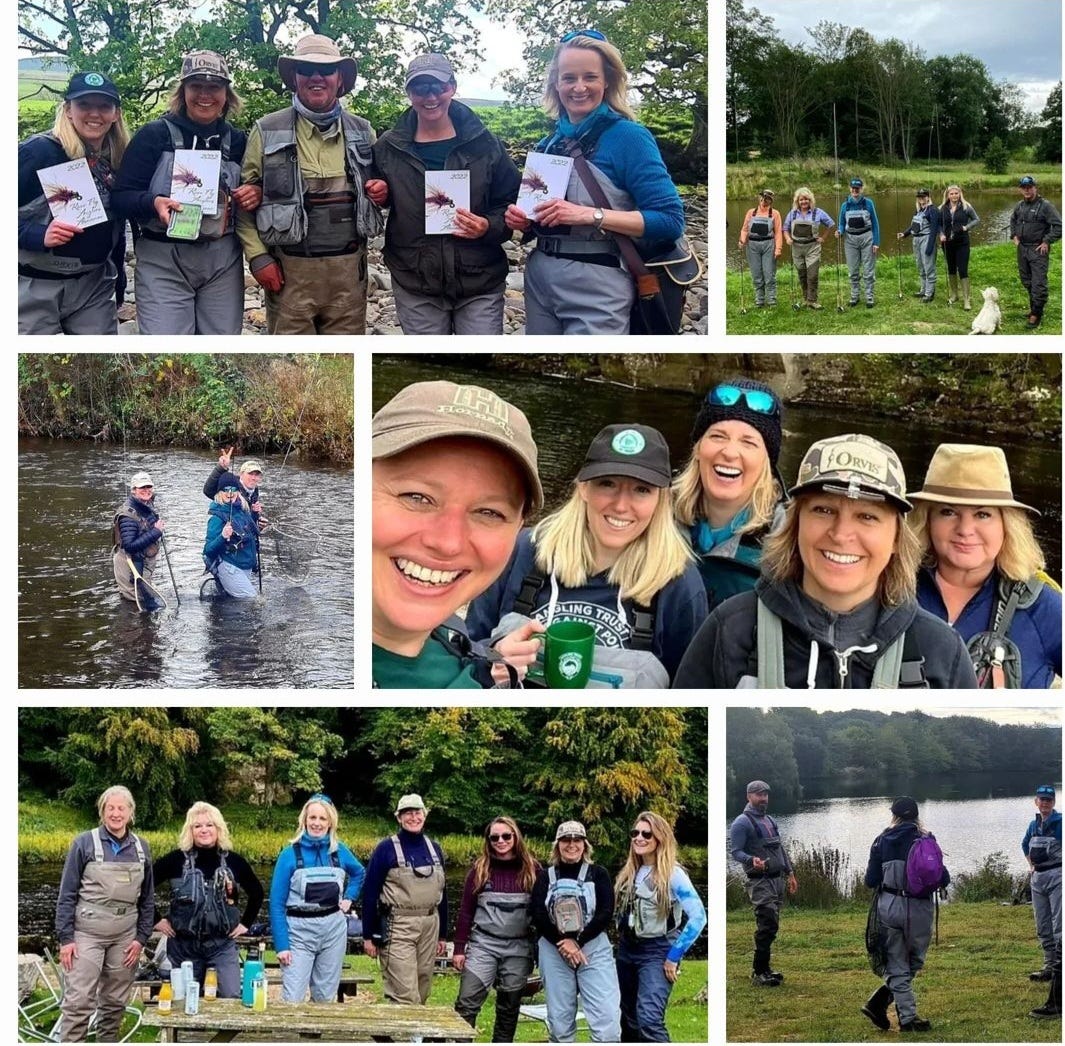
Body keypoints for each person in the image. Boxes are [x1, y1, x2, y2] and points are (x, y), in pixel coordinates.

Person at [673, 433, 979, 688]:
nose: (842, 534)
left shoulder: (941, 651)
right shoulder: (730, 629)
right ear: (794, 525)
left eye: (867, 516)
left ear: (897, 539)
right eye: (823, 510)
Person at [465, 423, 707, 686]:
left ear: (661, 499)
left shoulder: (679, 582)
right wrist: (491, 661)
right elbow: (465, 653)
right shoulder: (523, 550)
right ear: (583, 487)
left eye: (642, 490)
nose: (621, 505)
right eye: (607, 484)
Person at [504, 30, 685, 334]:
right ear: (556, 84)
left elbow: (670, 219)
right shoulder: (547, 144)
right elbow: (543, 218)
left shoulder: (630, 138)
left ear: (607, 81)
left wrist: (590, 215)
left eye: (590, 77)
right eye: (569, 78)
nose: (579, 87)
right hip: (539, 280)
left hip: (599, 282)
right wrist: (524, 221)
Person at [371, 381, 543, 688]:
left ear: (518, 528)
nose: (448, 543)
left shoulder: (452, 640)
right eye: (416, 497)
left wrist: (488, 662)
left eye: (489, 512)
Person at [365, 54, 520, 335]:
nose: (430, 96)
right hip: (416, 281)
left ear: (452, 87)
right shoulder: (387, 147)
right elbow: (379, 194)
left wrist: (488, 226)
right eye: (420, 88)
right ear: (409, 93)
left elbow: (511, 202)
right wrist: (381, 194)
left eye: (438, 86)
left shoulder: (485, 143)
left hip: (480, 280)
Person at [237, 34, 382, 335]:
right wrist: (259, 258)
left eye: (326, 70)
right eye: (306, 69)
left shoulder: (363, 131)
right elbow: (243, 204)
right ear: (295, 78)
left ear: (339, 79)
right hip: (289, 277)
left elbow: (384, 193)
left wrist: (384, 192)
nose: (317, 77)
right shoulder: (265, 130)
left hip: (348, 279)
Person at [112, 51, 258, 335]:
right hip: (162, 258)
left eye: (214, 87)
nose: (205, 95)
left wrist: (255, 192)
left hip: (222, 261)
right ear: (183, 91)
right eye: (196, 86)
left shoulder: (239, 141)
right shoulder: (153, 136)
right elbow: (120, 197)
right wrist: (152, 202)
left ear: (226, 94)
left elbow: (261, 190)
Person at [909, 443, 1062, 688]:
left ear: (1007, 525)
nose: (965, 530)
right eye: (948, 512)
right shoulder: (894, 588)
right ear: (926, 520)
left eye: (983, 514)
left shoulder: (1043, 607)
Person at [19, 71, 130, 334]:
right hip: (34, 285)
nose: (95, 114)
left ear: (116, 114)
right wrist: (36, 234)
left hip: (93, 288)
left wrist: (119, 283)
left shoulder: (116, 159)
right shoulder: (38, 152)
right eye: (84, 105)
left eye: (104, 106)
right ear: (68, 110)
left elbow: (116, 226)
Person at [672, 380, 786, 612]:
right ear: (698, 449)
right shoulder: (654, 511)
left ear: (767, 462)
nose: (730, 452)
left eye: (748, 442)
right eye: (718, 436)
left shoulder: (788, 534)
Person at [54, 786, 154, 1042]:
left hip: (125, 936)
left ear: (131, 812)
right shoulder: (84, 843)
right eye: (111, 808)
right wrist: (66, 939)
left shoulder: (142, 848)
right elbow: (67, 894)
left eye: (122, 808)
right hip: (87, 933)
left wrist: (141, 938)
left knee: (114, 1003)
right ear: (102, 811)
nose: (116, 813)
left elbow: (147, 899)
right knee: (78, 1002)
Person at [152, 802, 264, 998]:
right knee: (184, 999)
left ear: (218, 828)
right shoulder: (175, 860)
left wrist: (246, 923)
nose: (204, 830)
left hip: (221, 945)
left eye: (209, 825)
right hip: (183, 947)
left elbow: (257, 893)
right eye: (198, 826)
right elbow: (142, 890)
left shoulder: (235, 862)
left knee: (230, 995)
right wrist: (156, 920)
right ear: (190, 830)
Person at [614, 811, 707, 1040]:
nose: (639, 838)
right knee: (627, 1018)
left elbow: (698, 917)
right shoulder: (629, 872)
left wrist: (674, 956)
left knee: (649, 1019)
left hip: (657, 952)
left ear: (659, 838)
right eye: (635, 833)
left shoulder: (673, 874)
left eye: (647, 834)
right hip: (626, 950)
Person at [862, 796, 950, 1032]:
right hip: (918, 908)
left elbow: (870, 880)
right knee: (912, 962)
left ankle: (880, 1003)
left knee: (896, 961)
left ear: (895, 816)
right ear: (916, 815)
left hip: (888, 906)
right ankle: (907, 1018)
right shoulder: (926, 840)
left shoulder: (881, 841)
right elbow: (943, 878)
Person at [268, 794, 365, 1002]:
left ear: (330, 822)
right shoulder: (289, 855)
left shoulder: (340, 851)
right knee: (292, 997)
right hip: (298, 932)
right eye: (312, 818)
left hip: (333, 931)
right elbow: (276, 904)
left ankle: (315, 1035)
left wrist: (349, 897)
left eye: (322, 819)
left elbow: (359, 873)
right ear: (304, 820)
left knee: (325, 996)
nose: (317, 823)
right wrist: (281, 945)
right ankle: (292, 1033)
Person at [530, 820, 621, 1042]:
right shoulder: (545, 876)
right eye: (566, 840)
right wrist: (563, 943)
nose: (572, 845)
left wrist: (577, 941)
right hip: (554, 949)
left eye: (577, 840)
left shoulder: (598, 874)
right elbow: (537, 913)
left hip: (593, 947)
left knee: (606, 1018)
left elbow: (605, 912)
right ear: (557, 844)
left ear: (585, 844)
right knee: (560, 1021)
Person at [453, 817, 541, 1041]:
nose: (500, 841)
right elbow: (465, 912)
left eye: (506, 836)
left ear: (515, 836)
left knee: (509, 1008)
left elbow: (542, 914)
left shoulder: (534, 870)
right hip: (484, 944)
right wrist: (460, 948)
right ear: (489, 841)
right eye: (494, 837)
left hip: (519, 947)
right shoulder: (479, 870)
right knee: (466, 1002)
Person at [361, 794, 448, 1005]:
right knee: (404, 992)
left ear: (425, 815)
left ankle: (411, 1037)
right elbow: (370, 892)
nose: (413, 817)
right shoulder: (385, 849)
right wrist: (368, 935)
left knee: (423, 985)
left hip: (430, 924)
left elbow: (442, 895)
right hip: (397, 926)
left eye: (417, 812)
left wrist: (443, 935)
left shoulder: (434, 849)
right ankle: (403, 1036)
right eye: (407, 813)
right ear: (399, 818)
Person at [728, 782, 796, 987]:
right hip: (759, 882)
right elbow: (735, 852)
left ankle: (765, 969)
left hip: (777, 880)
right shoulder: (742, 822)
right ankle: (759, 972)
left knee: (772, 925)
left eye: (765, 794)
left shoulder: (770, 820)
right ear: (749, 796)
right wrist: (751, 860)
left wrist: (790, 873)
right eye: (759, 795)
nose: (763, 798)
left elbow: (780, 850)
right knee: (767, 924)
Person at [1010, 175, 1062, 329]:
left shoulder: (1045, 206)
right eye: (1024, 188)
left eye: (1030, 187)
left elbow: (1059, 227)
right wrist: (1014, 235)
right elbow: (1013, 220)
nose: (1027, 190)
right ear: (1021, 189)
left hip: (1037, 249)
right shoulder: (1019, 205)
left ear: (1035, 188)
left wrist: (1047, 240)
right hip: (1022, 248)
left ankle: (1036, 314)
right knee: (1027, 280)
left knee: (1038, 283)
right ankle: (1035, 307)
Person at [1023, 785, 1062, 984]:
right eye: (1042, 799)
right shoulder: (1033, 825)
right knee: (1042, 924)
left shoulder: (1060, 823)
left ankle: (1060, 969)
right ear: (1036, 801)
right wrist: (1031, 865)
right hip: (1038, 879)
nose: (1045, 803)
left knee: (1059, 924)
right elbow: (1024, 845)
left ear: (1054, 802)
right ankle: (1049, 966)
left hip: (1057, 876)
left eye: (1048, 800)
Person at [112, 470, 166, 608]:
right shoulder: (128, 516)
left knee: (146, 601)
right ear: (134, 490)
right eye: (142, 487)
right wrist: (156, 532)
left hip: (142, 561)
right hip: (129, 564)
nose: (146, 490)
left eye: (149, 487)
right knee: (136, 604)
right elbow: (129, 546)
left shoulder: (146, 505)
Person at [203, 476, 262, 598]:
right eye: (226, 489)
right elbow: (208, 551)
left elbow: (249, 531)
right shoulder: (216, 518)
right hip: (231, 566)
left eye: (234, 489)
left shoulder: (242, 509)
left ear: (238, 491)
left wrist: (255, 514)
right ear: (220, 493)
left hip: (245, 566)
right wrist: (223, 536)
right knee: (253, 602)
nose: (230, 493)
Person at [782, 187, 835, 309]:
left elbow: (831, 224)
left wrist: (823, 238)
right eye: (801, 200)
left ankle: (812, 300)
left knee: (812, 275)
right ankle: (806, 298)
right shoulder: (792, 213)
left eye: (806, 199)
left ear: (810, 200)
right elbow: (785, 228)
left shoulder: (818, 212)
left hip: (813, 247)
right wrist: (787, 238)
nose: (804, 202)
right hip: (797, 247)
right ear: (797, 201)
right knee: (802, 274)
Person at [835, 177, 880, 307]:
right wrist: (840, 231)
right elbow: (842, 224)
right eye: (853, 188)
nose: (855, 190)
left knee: (868, 269)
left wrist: (876, 242)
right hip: (850, 241)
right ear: (850, 189)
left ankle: (869, 296)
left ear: (861, 189)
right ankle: (855, 296)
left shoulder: (869, 203)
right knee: (853, 270)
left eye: (857, 188)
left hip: (867, 238)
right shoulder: (845, 205)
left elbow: (875, 224)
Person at [938, 184, 979, 310]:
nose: (954, 195)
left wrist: (966, 227)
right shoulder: (942, 208)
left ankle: (966, 299)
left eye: (956, 193)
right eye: (952, 193)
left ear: (960, 194)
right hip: (947, 243)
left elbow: (976, 219)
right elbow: (938, 224)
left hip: (962, 243)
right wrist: (941, 234)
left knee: (962, 269)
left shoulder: (966, 207)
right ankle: (954, 294)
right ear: (948, 195)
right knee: (951, 269)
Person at [738, 190, 782, 307]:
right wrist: (742, 240)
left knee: (769, 273)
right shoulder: (751, 212)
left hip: (769, 244)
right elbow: (744, 229)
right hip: (752, 245)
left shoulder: (775, 214)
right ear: (759, 198)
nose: (764, 201)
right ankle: (760, 299)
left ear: (771, 201)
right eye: (762, 198)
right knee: (756, 273)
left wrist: (778, 249)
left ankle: (772, 299)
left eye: (767, 199)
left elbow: (778, 233)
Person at [896, 188, 940, 303]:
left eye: (923, 196)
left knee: (928, 266)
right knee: (920, 266)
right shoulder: (919, 211)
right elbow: (914, 226)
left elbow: (934, 229)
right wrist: (904, 234)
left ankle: (930, 293)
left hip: (926, 239)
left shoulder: (933, 210)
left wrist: (930, 247)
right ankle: (923, 289)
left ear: (928, 197)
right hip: (916, 240)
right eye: (919, 197)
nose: (921, 198)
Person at [203, 447, 264, 517]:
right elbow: (208, 491)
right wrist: (221, 468)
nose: (253, 478)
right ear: (241, 474)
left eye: (256, 475)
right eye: (250, 474)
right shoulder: (231, 488)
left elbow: (245, 516)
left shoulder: (254, 491)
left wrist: (256, 518)